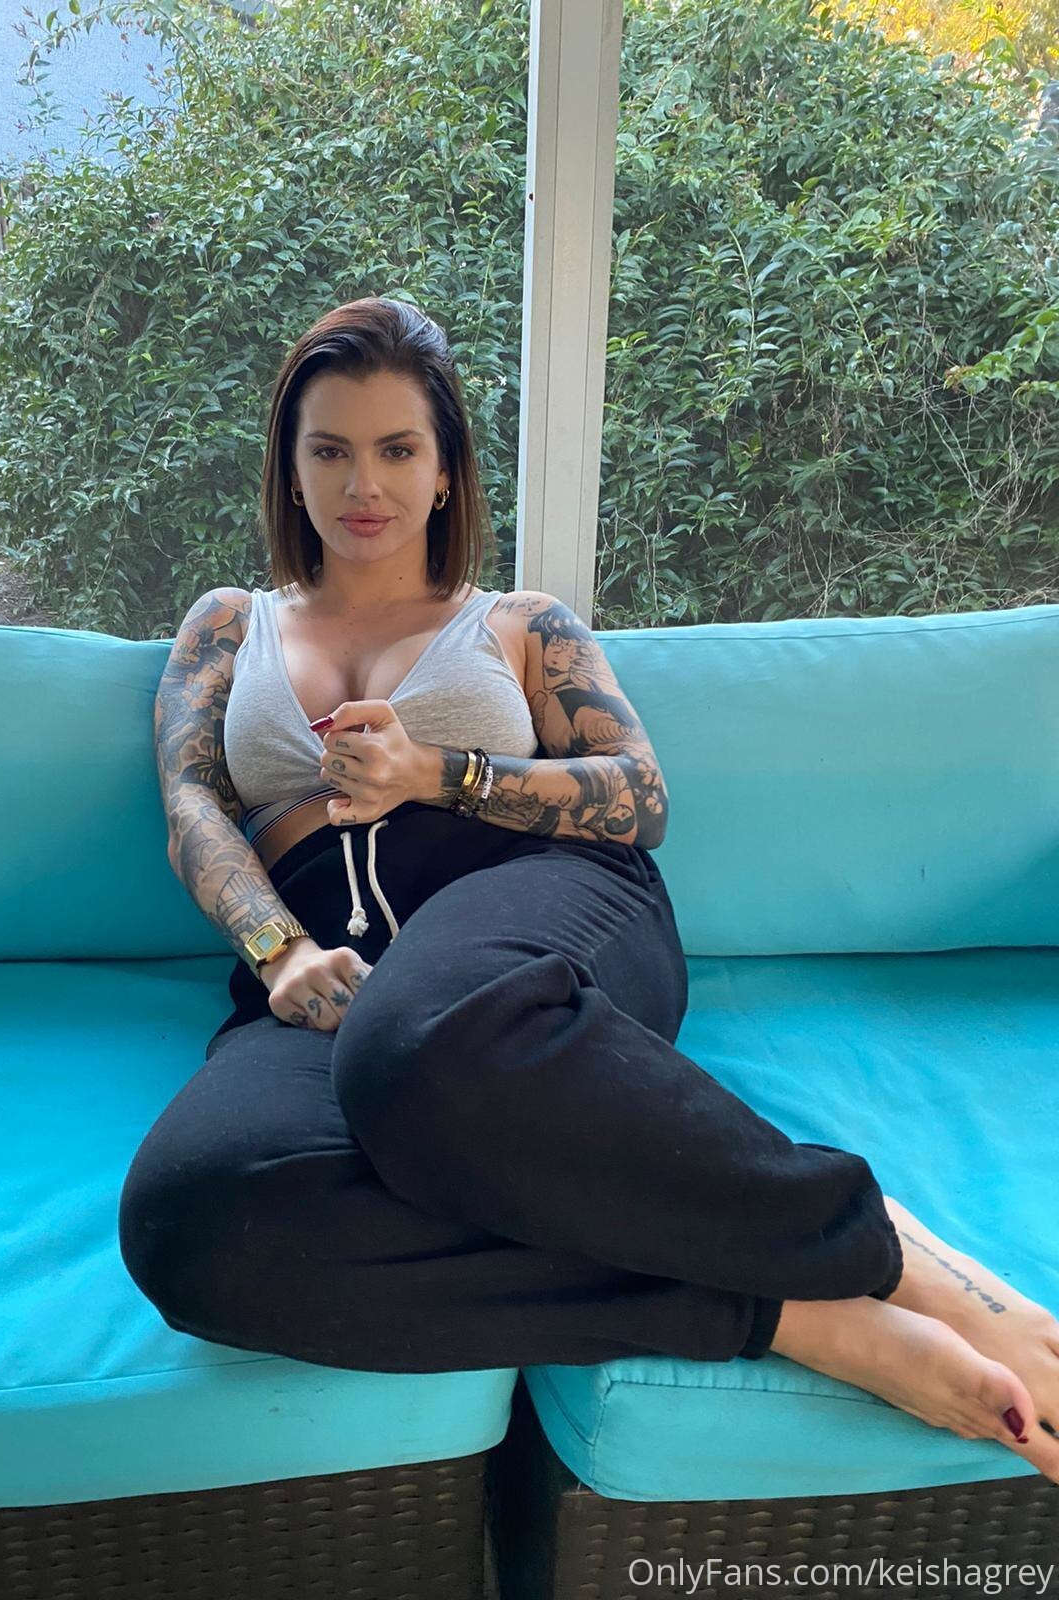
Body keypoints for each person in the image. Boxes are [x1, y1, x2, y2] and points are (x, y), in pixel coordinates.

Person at [119, 295, 1059, 1483]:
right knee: (192, 1217)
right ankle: (786, 1314)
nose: (365, 483)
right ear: (290, 469)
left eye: (399, 448)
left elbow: (639, 795)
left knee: (428, 1035)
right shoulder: (227, 623)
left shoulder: (519, 623)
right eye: (331, 449)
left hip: (537, 902)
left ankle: (878, 1247)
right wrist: (279, 951)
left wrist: (439, 771)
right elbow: (193, 804)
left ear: (447, 472)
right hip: (320, 968)